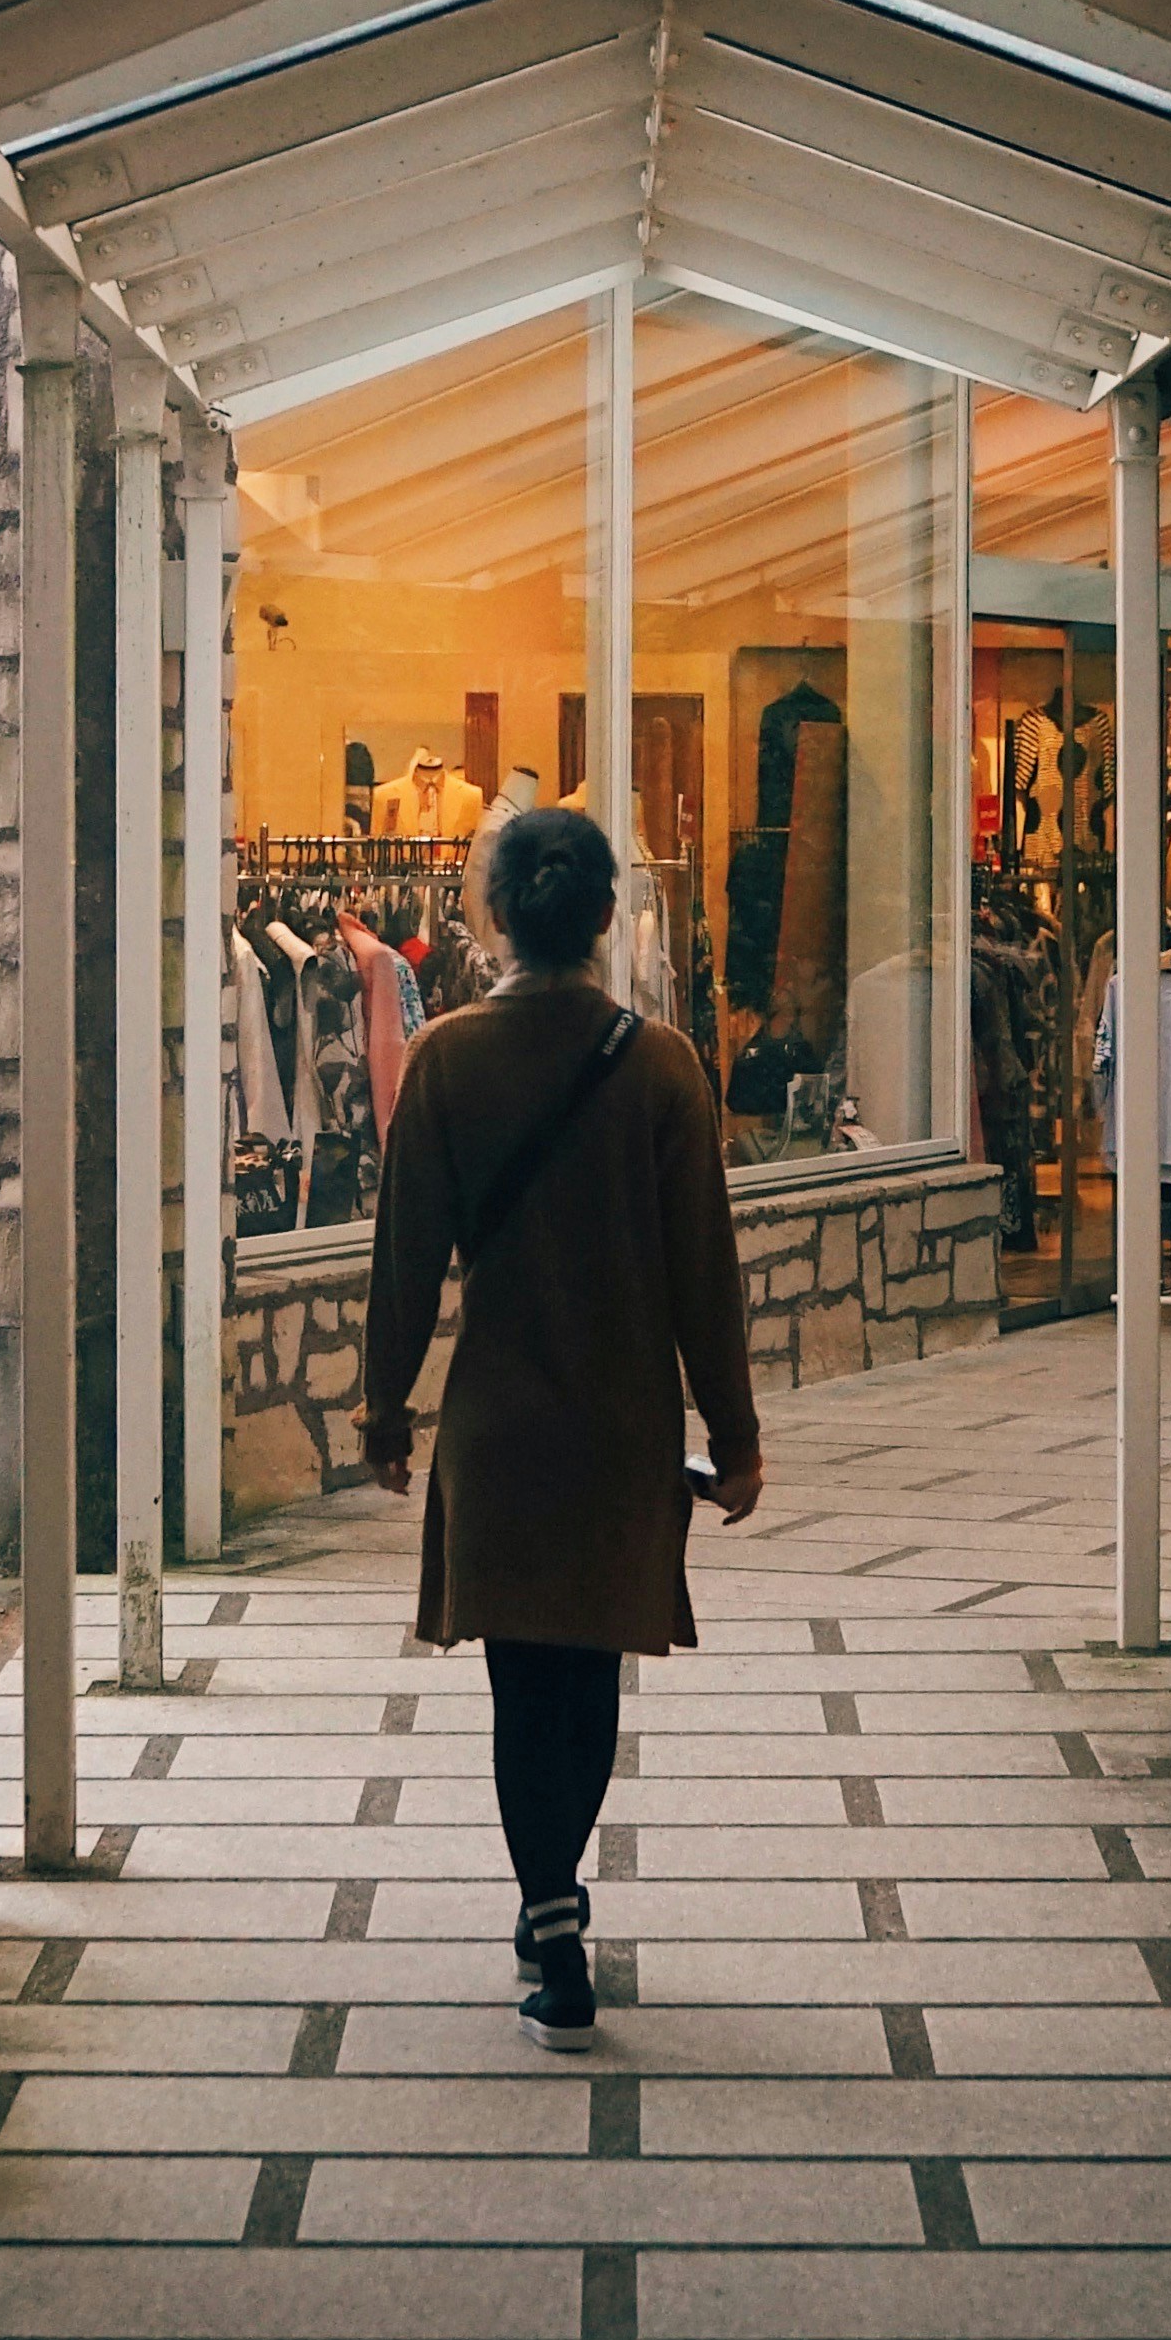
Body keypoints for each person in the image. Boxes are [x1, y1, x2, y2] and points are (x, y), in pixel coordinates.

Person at [360, 799, 761, 2045]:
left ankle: (548, 1914)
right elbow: (706, 1266)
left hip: (501, 1427)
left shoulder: (447, 1062)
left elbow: (405, 1259)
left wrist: (384, 1406)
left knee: (516, 1682)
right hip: (618, 1424)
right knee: (586, 1682)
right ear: (602, 917)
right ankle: (558, 1910)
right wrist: (735, 1432)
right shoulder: (661, 1066)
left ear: (489, 915)